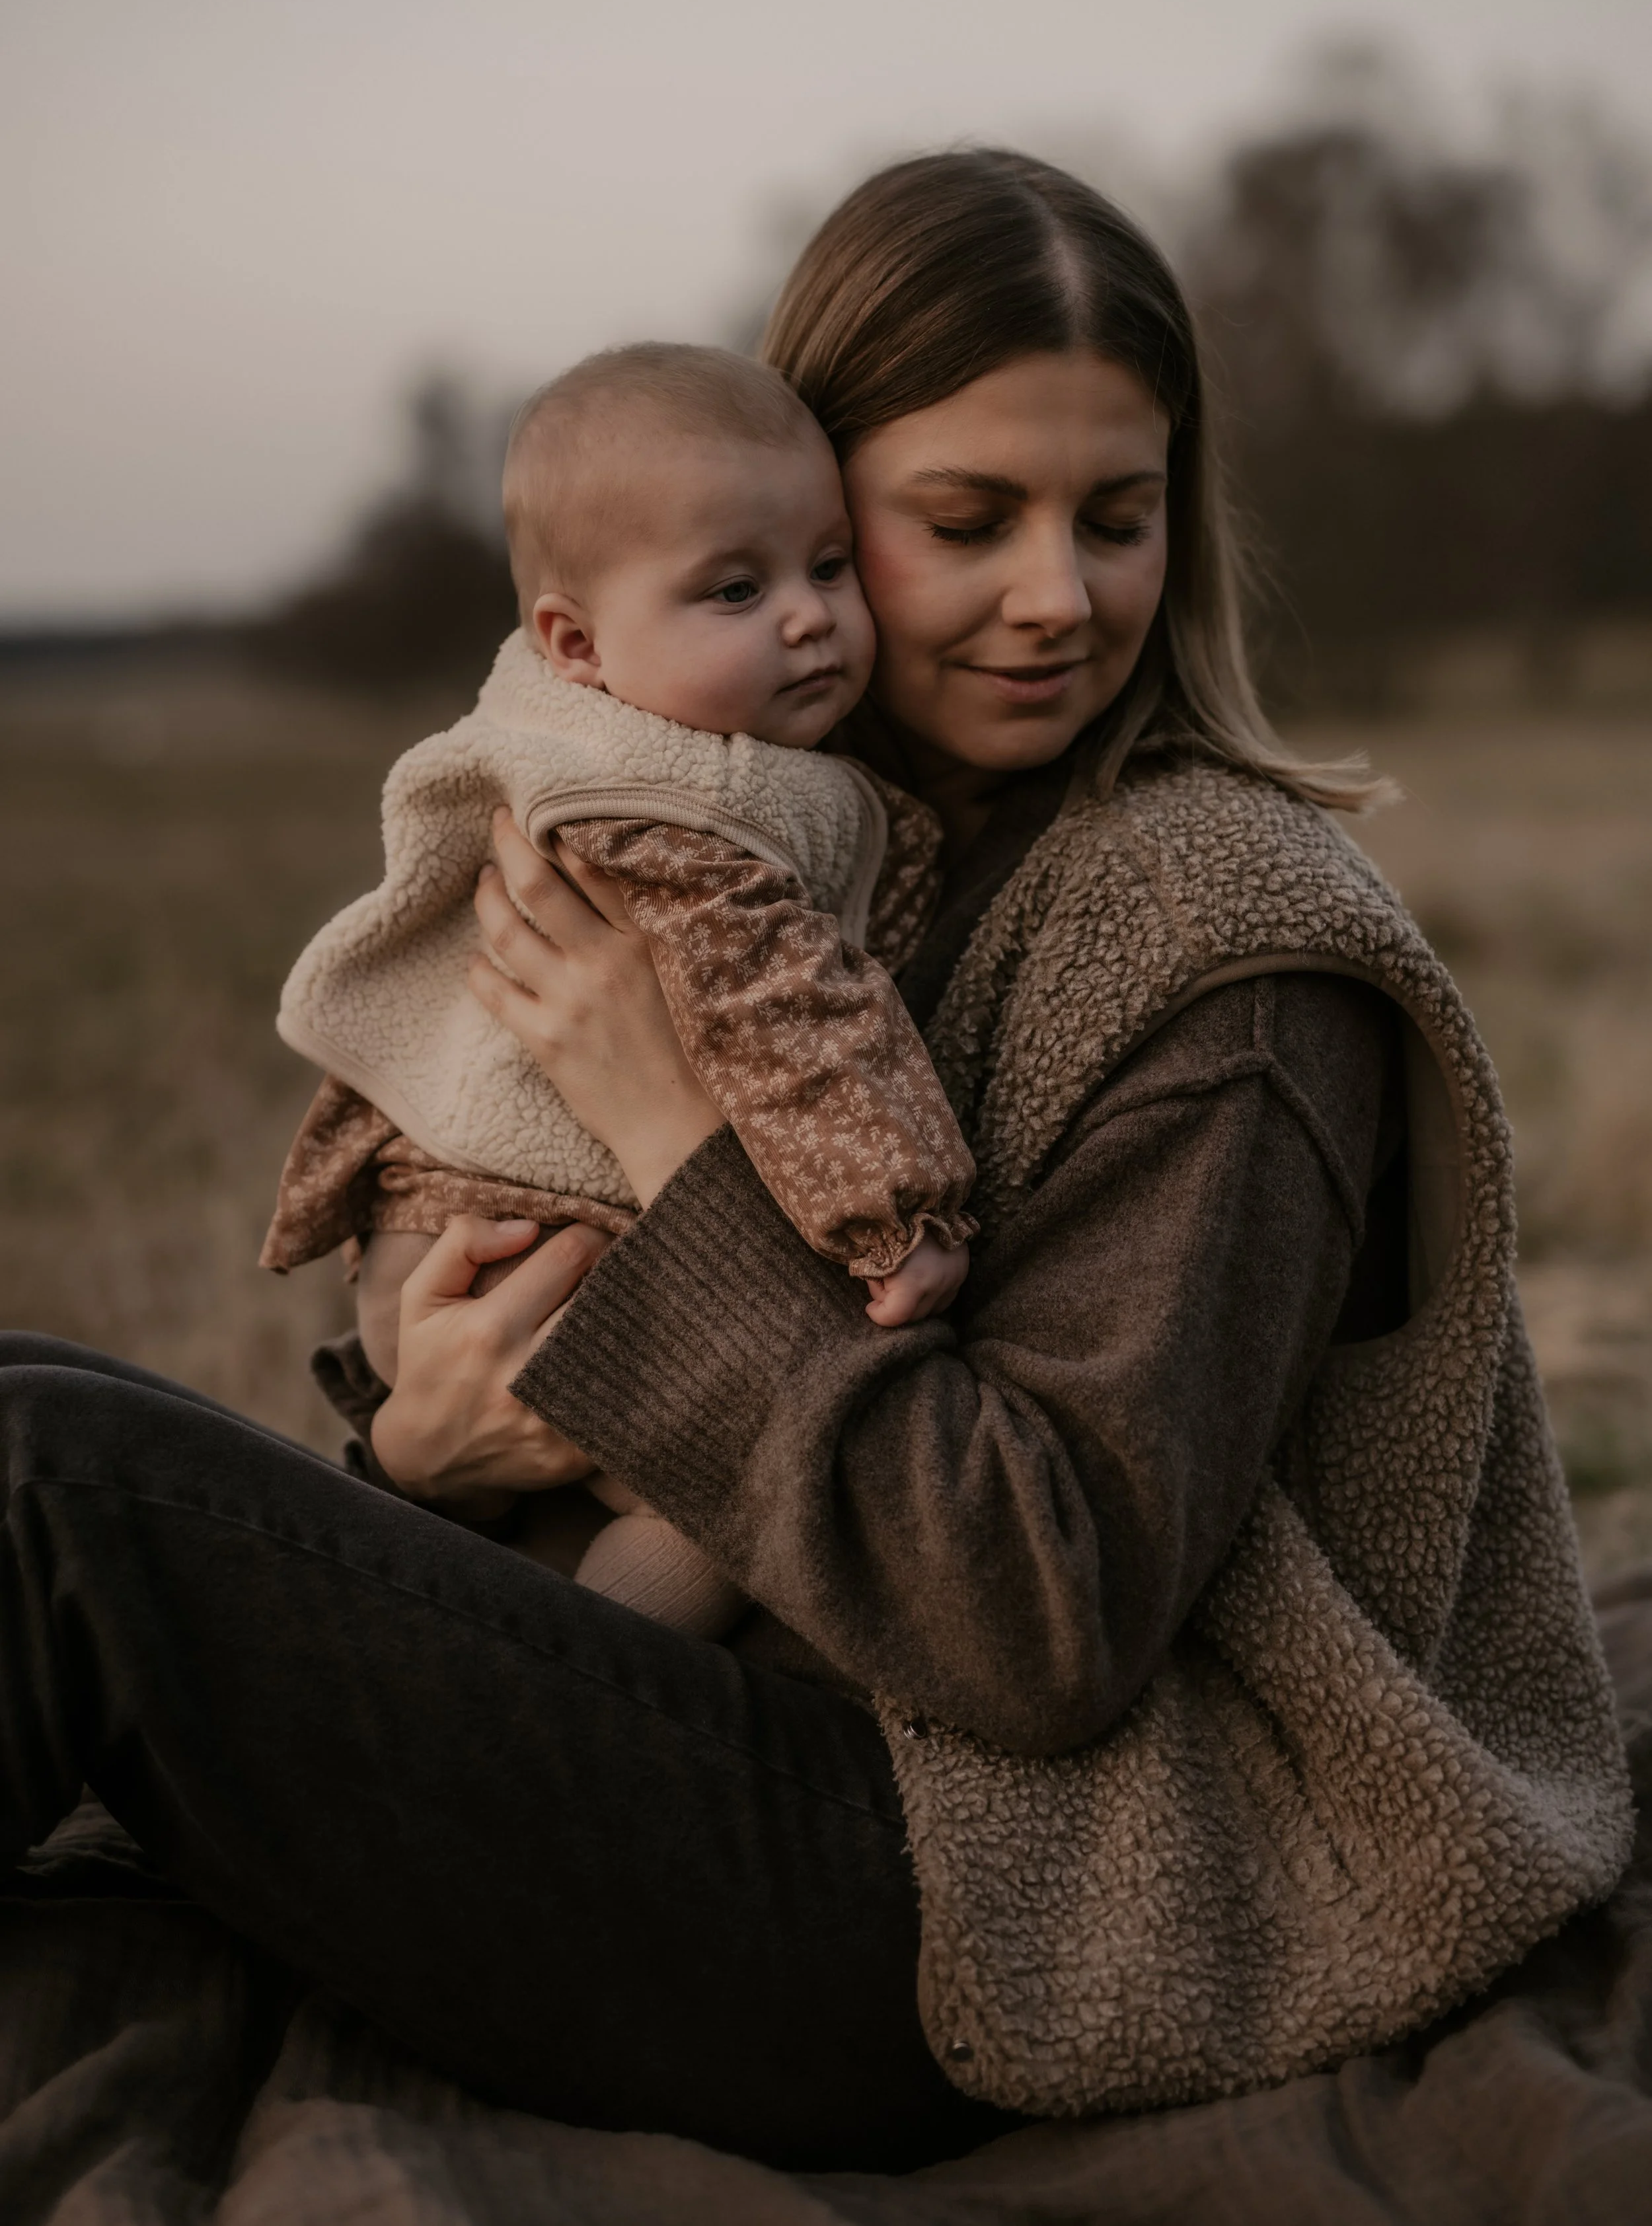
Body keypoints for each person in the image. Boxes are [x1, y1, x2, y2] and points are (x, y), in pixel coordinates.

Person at [0, 149, 1630, 2176]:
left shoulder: (1227, 949)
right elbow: (593, 1365)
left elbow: (1036, 1627)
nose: (1058, 594)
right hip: (715, 1716)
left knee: (46, 1497)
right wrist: (421, 1458)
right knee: (24, 1396)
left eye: (1115, 516)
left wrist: (677, 1121)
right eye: (962, 519)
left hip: (980, 1889)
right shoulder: (779, 859)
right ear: (803, 508)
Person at [260, 340, 973, 1633]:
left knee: (524, 1537)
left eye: (826, 565)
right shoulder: (675, 814)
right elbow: (787, 1016)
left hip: (456, 1241)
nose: (807, 616)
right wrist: (888, 1209)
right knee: (707, 1505)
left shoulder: (573, 734)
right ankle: (582, 1697)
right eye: (733, 590)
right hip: (537, 1237)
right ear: (574, 642)